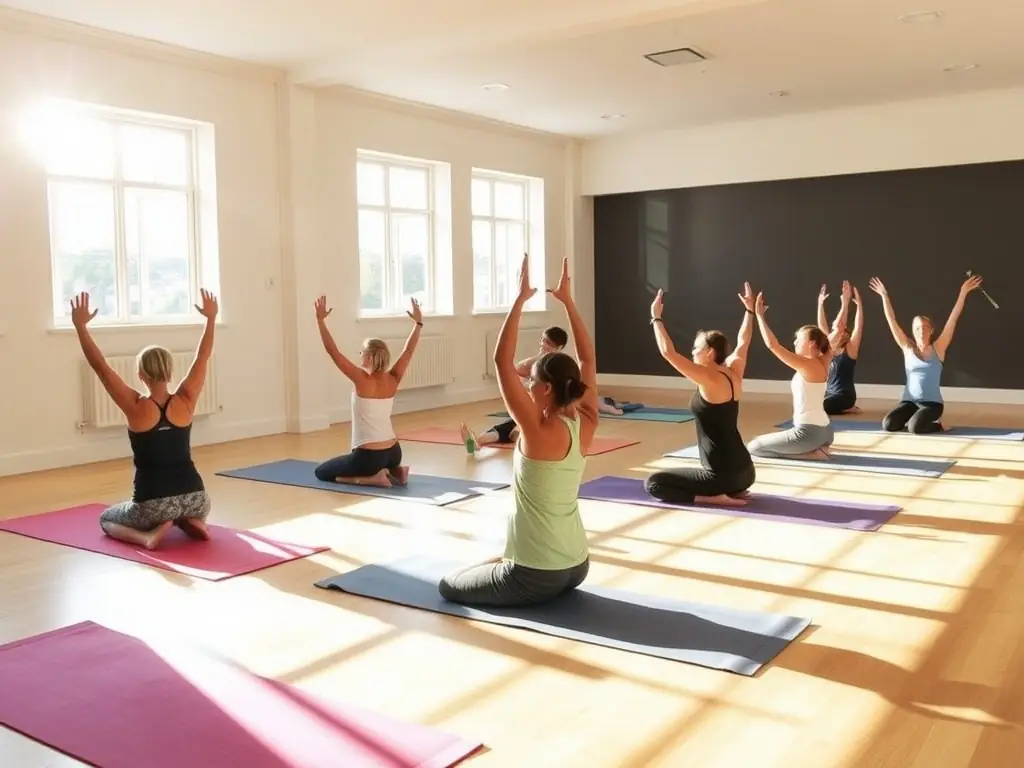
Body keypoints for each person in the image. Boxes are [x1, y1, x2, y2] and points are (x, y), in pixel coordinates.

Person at [439, 255, 598, 607]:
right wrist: (569, 303)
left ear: (544, 389)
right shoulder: (586, 420)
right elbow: (587, 359)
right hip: (577, 565)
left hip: (535, 575)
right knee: (493, 564)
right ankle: (506, 557)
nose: (526, 386)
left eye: (532, 382)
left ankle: (507, 562)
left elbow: (501, 361)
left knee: (448, 585)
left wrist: (520, 299)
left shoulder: (535, 428)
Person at [71, 289, 218, 551]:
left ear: (141, 375)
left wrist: (80, 327)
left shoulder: (136, 407)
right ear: (170, 371)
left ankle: (147, 536)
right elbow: (202, 357)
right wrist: (211, 318)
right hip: (197, 499)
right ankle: (188, 520)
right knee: (184, 506)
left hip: (152, 504)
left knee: (106, 519)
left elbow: (101, 367)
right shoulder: (185, 400)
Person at [643, 283, 756, 506]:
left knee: (654, 483)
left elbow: (668, 352)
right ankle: (727, 491)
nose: (692, 352)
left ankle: (713, 498)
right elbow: (744, 341)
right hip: (746, 473)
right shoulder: (734, 371)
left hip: (721, 477)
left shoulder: (708, 378)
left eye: (696, 348)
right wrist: (749, 311)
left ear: (709, 353)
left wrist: (656, 318)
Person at [313, 295, 422, 487]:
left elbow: (333, 352)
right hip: (394, 452)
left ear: (370, 357)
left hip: (369, 457)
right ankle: (396, 470)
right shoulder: (393, 378)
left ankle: (372, 478)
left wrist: (320, 321)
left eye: (362, 352)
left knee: (321, 471)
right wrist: (418, 323)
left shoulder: (361, 379)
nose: (360, 355)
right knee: (362, 461)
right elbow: (408, 352)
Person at [869, 274, 982, 434]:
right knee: (888, 424)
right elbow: (892, 321)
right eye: (917, 328)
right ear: (913, 332)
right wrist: (884, 296)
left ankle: (938, 425)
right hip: (909, 402)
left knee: (915, 428)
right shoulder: (907, 348)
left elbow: (953, 319)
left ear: (931, 330)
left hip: (932, 404)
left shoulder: (938, 348)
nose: (921, 331)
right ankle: (916, 418)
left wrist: (963, 292)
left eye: (924, 327)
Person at [746, 291, 835, 460]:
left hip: (809, 433)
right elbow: (825, 335)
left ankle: (812, 454)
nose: (794, 342)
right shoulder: (823, 361)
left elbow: (773, 345)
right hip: (826, 432)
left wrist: (759, 316)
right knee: (770, 441)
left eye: (798, 339)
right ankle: (818, 448)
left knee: (754, 446)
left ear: (810, 344)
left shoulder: (808, 364)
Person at [459, 326, 568, 452]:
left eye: (547, 342)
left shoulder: (558, 365)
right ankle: (478, 442)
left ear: (558, 348)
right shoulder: (541, 360)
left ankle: (513, 438)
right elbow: (516, 370)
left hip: (545, 412)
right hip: (532, 408)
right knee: (511, 425)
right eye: (542, 340)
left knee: (515, 427)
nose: (542, 344)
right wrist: (537, 357)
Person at [817, 280, 864, 415]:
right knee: (812, 403)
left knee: (821, 407)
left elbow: (858, 327)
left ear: (845, 335)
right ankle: (844, 409)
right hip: (829, 391)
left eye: (840, 330)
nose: (835, 331)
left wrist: (859, 306)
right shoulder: (829, 347)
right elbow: (821, 326)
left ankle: (847, 407)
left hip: (845, 396)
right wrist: (820, 304)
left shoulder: (850, 349)